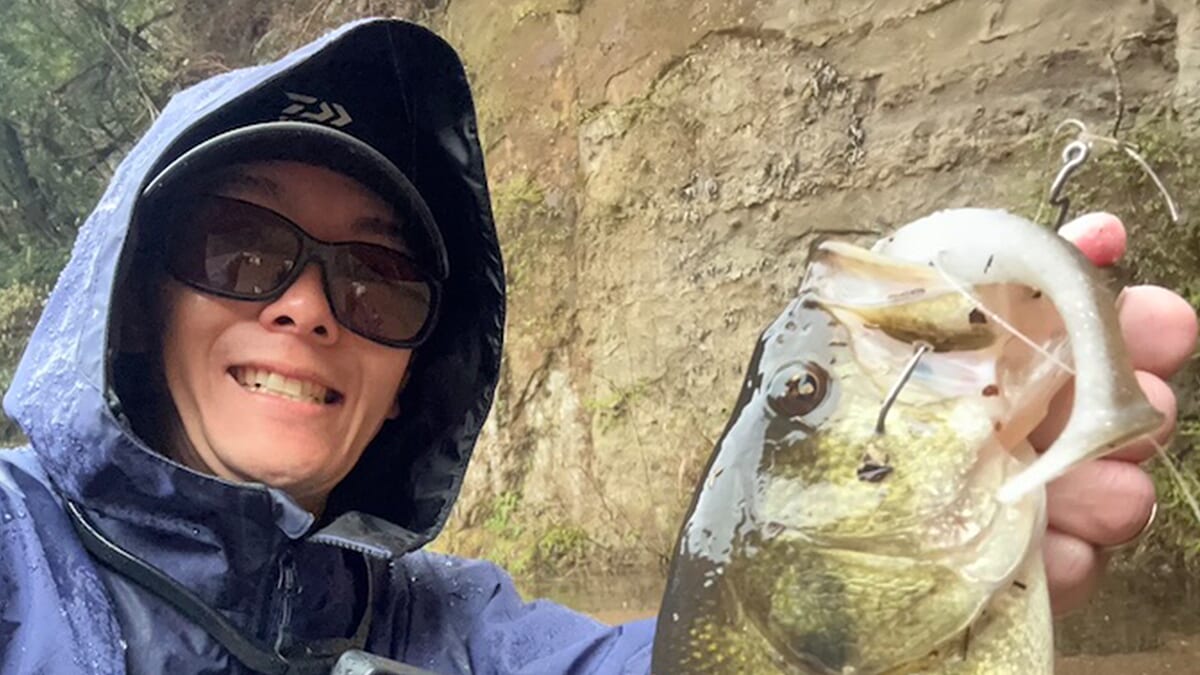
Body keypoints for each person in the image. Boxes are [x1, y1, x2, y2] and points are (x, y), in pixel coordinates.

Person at [0, 17, 1193, 675]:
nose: (309, 307)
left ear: (413, 371)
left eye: (379, 277)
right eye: (243, 248)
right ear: (138, 300)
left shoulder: (458, 635)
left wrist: (873, 589)